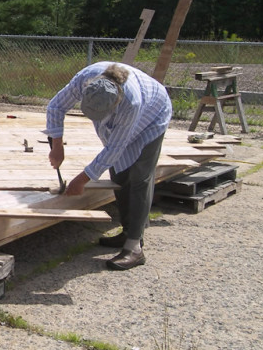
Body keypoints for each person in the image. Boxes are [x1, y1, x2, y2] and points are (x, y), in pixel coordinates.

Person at [45, 61, 172, 270]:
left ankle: (134, 247)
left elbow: (115, 148)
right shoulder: (85, 79)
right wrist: (56, 145)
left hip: (153, 115)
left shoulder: (131, 103)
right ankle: (127, 232)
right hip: (125, 118)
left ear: (116, 102)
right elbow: (56, 106)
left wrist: (82, 179)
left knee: (140, 176)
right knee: (120, 174)